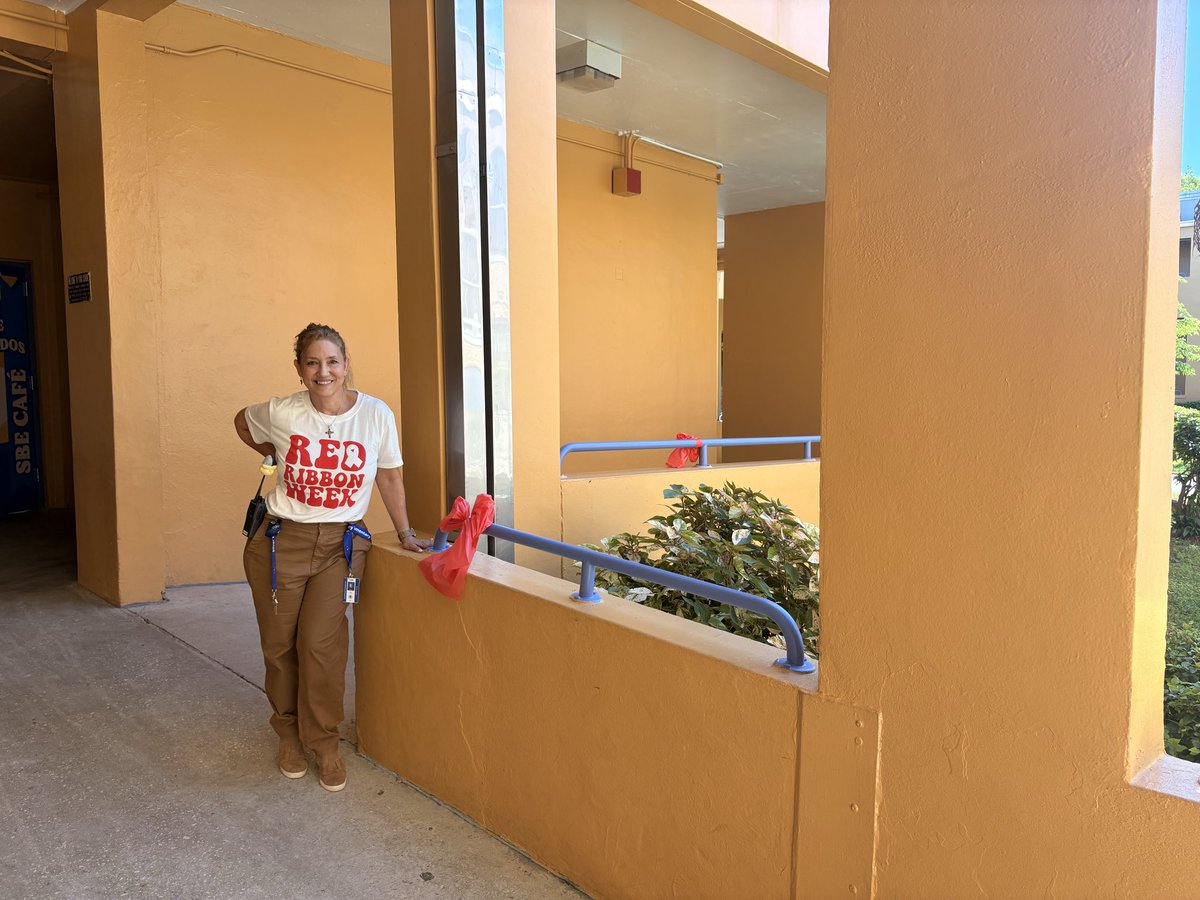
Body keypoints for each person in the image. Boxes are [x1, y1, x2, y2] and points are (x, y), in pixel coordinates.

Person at [234, 322, 429, 792]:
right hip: (281, 542)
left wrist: (404, 532)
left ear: (346, 365)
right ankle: (287, 735)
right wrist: (273, 450)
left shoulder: (376, 415)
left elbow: (390, 477)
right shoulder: (283, 411)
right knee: (279, 647)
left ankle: (322, 742)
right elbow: (242, 421)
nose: (324, 372)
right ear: (300, 370)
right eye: (313, 363)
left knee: (323, 647)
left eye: (333, 361)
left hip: (340, 545)